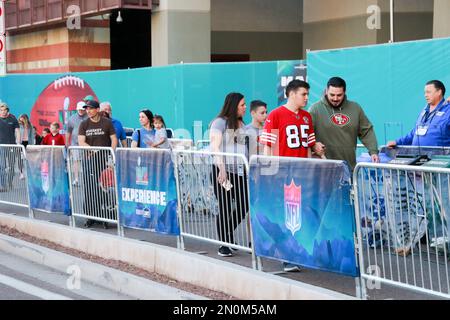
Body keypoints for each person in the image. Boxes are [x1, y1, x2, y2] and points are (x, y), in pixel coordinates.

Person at [260, 80, 315, 272]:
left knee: (301, 213)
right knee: (286, 214)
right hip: (283, 173)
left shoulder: (307, 117)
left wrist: (309, 168)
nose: (306, 98)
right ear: (292, 94)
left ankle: (299, 252)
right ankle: (286, 256)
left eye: (307, 94)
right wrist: (271, 172)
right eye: (303, 94)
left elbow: (308, 147)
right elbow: (267, 147)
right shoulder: (275, 115)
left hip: (301, 173)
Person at [309, 77, 379, 170]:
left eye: (339, 95)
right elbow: (305, 134)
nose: (335, 98)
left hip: (348, 167)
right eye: (332, 94)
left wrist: (373, 151)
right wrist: (314, 145)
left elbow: (366, 131)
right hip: (323, 168)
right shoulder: (315, 109)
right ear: (326, 91)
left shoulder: (355, 108)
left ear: (344, 92)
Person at [210, 92, 249, 258]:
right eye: (242, 105)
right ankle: (224, 243)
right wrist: (222, 168)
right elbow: (215, 147)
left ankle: (228, 233)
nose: (245, 108)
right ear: (234, 106)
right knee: (225, 207)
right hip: (222, 172)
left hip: (239, 172)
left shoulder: (241, 124)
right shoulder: (219, 122)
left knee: (243, 205)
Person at [78, 100, 117, 228]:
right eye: (86, 109)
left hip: (104, 160)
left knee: (102, 188)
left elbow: (113, 139)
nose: (88, 111)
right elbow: (81, 142)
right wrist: (93, 149)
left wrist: (111, 154)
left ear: (97, 109)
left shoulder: (107, 122)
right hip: (89, 160)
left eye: (90, 108)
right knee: (90, 188)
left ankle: (103, 216)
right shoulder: (84, 124)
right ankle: (90, 216)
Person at [387, 80, 450, 148]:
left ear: (439, 92)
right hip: (417, 156)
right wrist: (397, 142)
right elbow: (415, 132)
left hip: (439, 157)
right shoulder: (424, 111)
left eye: (428, 92)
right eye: (425, 92)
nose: (425, 95)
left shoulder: (448, 111)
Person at [0, 103, 20, 191]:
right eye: (1, 110)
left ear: (7, 111)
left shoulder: (13, 119)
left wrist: (18, 143)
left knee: (11, 166)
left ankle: (10, 182)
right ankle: (3, 186)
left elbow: (17, 131)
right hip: (1, 146)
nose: (3, 112)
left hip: (12, 146)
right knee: (2, 166)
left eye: (5, 110)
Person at [17, 114, 35, 179]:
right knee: (20, 158)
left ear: (25, 119)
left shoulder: (30, 126)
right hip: (20, 143)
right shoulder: (18, 125)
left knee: (28, 158)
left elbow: (32, 136)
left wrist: (32, 145)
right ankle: (21, 173)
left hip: (28, 143)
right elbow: (16, 134)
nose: (20, 120)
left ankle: (28, 172)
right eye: (20, 119)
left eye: (22, 119)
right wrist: (17, 143)